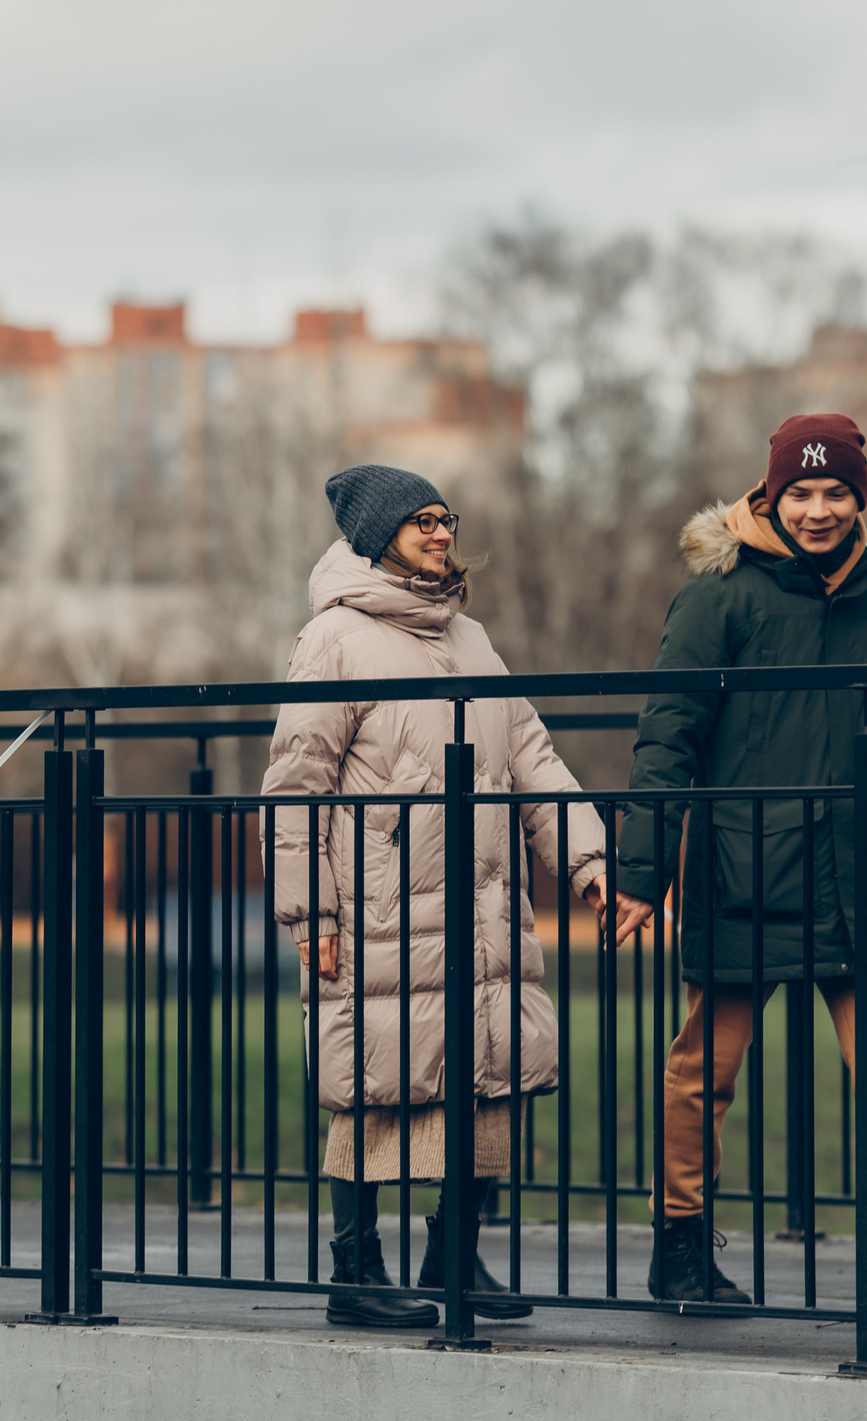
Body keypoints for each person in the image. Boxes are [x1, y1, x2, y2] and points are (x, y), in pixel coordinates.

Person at [604, 414, 867, 1316]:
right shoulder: (717, 596)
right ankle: (679, 1245)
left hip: (865, 880)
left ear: (859, 497)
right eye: (802, 491)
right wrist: (642, 872)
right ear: (771, 494)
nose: (820, 509)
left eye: (836, 492)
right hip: (743, 874)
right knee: (703, 1069)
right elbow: (667, 733)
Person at [264, 464, 611, 1330]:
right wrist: (311, 912)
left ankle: (455, 1256)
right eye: (419, 520)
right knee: (372, 1079)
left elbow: (532, 756)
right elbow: (294, 783)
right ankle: (356, 1269)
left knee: (487, 1078)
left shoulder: (474, 639)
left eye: (444, 516)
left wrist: (588, 859)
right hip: (381, 907)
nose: (439, 531)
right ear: (377, 534)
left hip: (485, 906)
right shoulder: (334, 640)